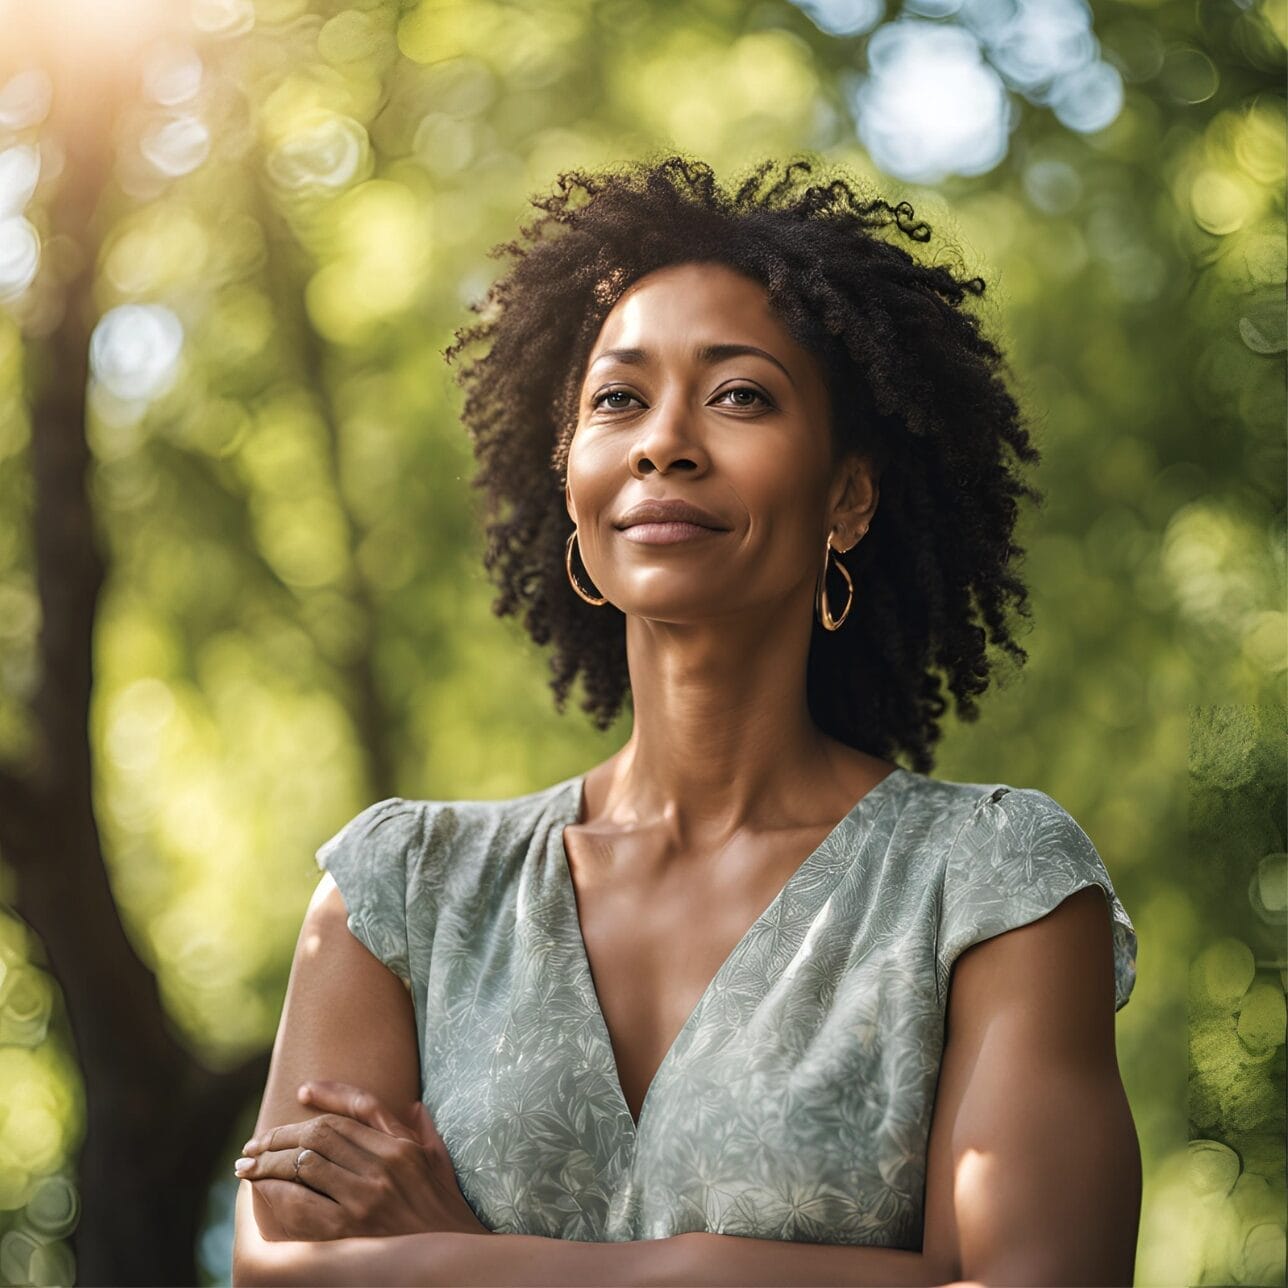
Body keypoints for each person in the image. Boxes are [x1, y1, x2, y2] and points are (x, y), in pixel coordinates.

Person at [232, 155, 1141, 1287]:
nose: (665, 439)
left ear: (847, 497)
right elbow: (278, 1273)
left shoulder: (992, 881)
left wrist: (460, 1254)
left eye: (739, 394)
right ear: (571, 475)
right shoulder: (401, 893)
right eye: (619, 398)